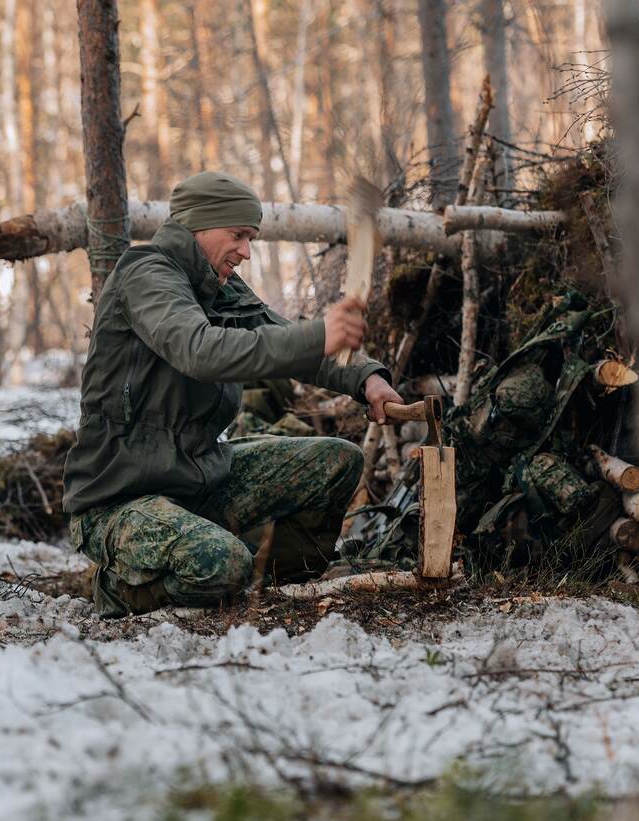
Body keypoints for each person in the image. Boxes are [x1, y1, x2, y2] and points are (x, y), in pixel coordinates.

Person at [63, 171, 403, 615]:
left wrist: (366, 378)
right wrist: (321, 334)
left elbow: (287, 341)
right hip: (120, 498)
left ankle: (262, 582)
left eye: (251, 238)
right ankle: (120, 587)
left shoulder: (221, 286)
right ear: (200, 225)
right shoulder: (146, 275)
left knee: (338, 461)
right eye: (238, 235)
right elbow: (200, 350)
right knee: (221, 564)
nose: (246, 251)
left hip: (197, 480)